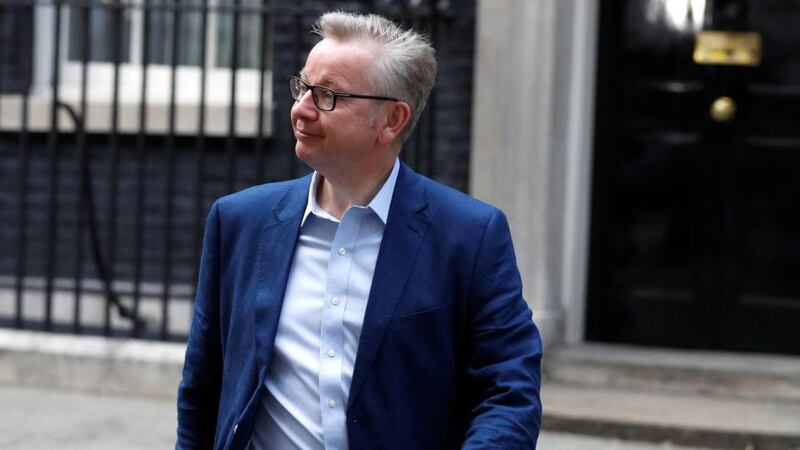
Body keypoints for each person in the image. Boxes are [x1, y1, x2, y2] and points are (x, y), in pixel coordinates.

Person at [176, 11, 542, 450]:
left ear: (392, 120)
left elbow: (508, 391)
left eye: (328, 95)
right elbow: (202, 388)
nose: (301, 109)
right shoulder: (239, 221)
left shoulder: (470, 236)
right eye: (302, 87)